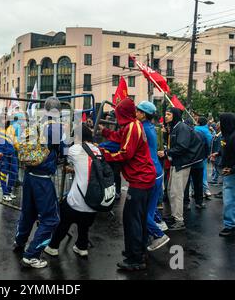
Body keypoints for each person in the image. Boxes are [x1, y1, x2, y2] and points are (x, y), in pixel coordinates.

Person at [99, 98, 156, 271]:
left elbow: (125, 153)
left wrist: (104, 153)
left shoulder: (133, 126)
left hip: (140, 180)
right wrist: (106, 132)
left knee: (131, 220)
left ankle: (135, 259)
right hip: (145, 178)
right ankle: (137, 251)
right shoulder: (133, 125)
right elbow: (120, 136)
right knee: (138, 218)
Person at [13, 97, 64, 269]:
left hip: (29, 174)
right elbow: (64, 150)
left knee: (28, 212)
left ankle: (19, 241)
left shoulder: (35, 124)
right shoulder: (55, 128)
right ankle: (32, 255)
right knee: (51, 219)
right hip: (42, 178)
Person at [44, 124, 98, 257]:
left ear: (78, 136)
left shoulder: (75, 149)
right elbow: (89, 166)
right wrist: (75, 169)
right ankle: (82, 246)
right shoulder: (97, 150)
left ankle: (53, 246)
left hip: (77, 200)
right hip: (95, 201)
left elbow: (63, 154)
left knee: (64, 218)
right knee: (84, 222)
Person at [158, 107, 205, 231]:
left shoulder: (181, 128)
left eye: (168, 114)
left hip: (182, 164)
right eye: (166, 114)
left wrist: (166, 152)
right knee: (170, 191)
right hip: (177, 163)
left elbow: (182, 147)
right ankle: (174, 216)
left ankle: (179, 221)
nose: (166, 116)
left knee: (176, 193)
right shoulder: (176, 127)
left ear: (175, 116)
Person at [135, 101, 170, 252]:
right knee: (149, 210)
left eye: (137, 111)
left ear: (143, 114)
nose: (135, 113)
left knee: (141, 213)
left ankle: (158, 234)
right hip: (157, 173)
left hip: (150, 174)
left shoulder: (142, 128)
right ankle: (153, 230)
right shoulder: (151, 127)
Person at [0, 116, 18, 202]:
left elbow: (15, 142)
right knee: (3, 174)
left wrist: (21, 150)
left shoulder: (12, 128)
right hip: (3, 156)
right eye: (3, 118)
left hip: (12, 154)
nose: (5, 120)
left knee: (14, 173)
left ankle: (9, 191)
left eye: (6, 118)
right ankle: (5, 193)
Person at [195, 117, 213, 199]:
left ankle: (194, 191)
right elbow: (209, 143)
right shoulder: (207, 131)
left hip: (194, 155)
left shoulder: (194, 129)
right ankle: (206, 190)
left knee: (194, 174)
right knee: (203, 173)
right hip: (203, 155)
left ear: (198, 122)